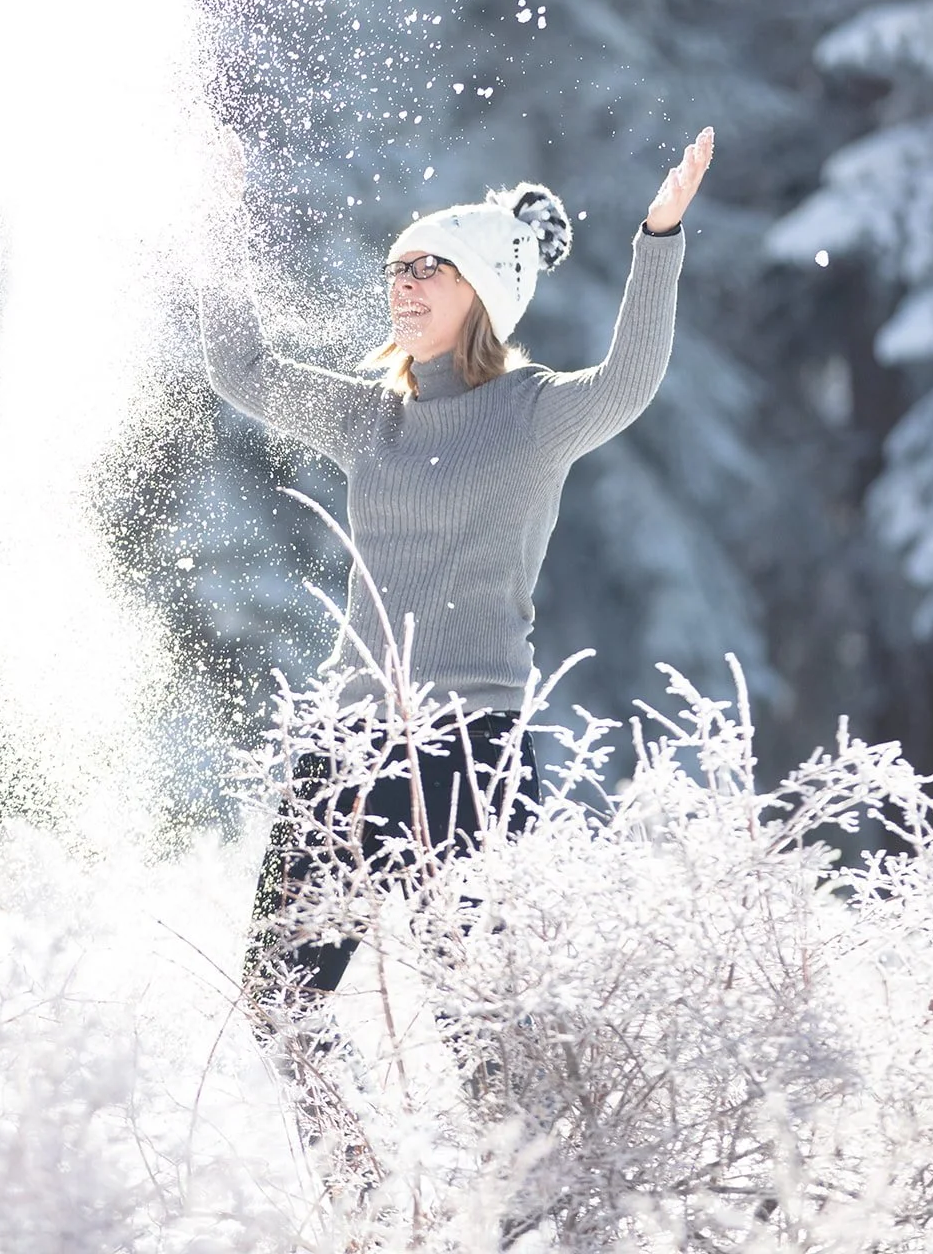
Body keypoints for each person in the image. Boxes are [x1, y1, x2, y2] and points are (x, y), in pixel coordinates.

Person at [200, 127, 715, 1006]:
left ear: (481, 293)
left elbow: (629, 381)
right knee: (276, 1002)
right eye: (398, 268)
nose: (403, 284)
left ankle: (516, 1153)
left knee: (484, 1028)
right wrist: (217, 218)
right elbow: (240, 367)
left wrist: (658, 238)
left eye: (428, 269)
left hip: (469, 754)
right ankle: (352, 1153)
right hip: (346, 749)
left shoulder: (535, 415)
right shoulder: (372, 419)